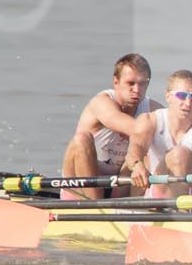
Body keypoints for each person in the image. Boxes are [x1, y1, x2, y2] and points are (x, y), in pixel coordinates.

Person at [61, 53, 155, 200]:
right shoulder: (102, 102)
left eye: (142, 84)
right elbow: (123, 123)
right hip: (82, 186)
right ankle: (95, 206)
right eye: (130, 83)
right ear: (116, 82)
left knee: (151, 146)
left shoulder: (152, 107)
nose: (137, 90)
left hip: (120, 184)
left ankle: (135, 204)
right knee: (81, 139)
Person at [124, 69, 192, 194]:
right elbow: (136, 146)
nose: (188, 103)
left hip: (189, 194)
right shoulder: (149, 120)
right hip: (154, 191)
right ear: (168, 96)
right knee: (179, 154)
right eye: (182, 96)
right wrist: (137, 165)